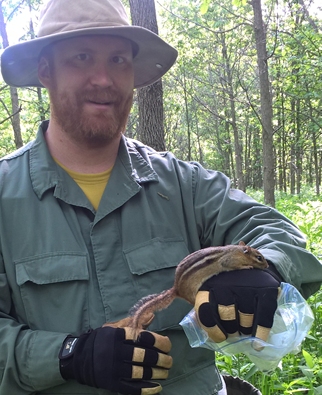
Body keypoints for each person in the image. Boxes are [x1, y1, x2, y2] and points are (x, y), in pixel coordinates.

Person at [0, 0, 321, 394]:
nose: (103, 79)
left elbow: (277, 231)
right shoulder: (4, 196)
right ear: (45, 70)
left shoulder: (184, 185)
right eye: (82, 57)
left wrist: (265, 270)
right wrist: (68, 355)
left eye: (118, 60)